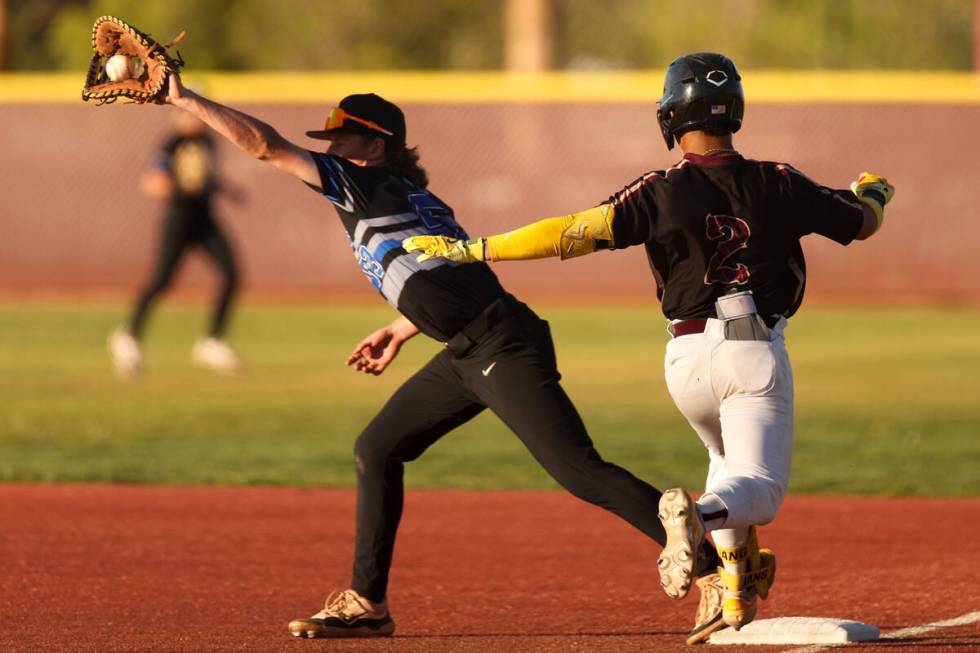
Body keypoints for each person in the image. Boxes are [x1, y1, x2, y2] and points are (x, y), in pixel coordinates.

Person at [154, 72, 724, 639]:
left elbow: (265, 146)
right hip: (467, 348)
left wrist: (185, 100)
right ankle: (367, 602)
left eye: (343, 139)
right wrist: (402, 329)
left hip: (501, 345)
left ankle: (711, 570)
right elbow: (450, 274)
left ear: (375, 147)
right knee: (377, 448)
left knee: (577, 470)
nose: (331, 149)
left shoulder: (363, 182)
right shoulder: (407, 196)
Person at [404, 51, 895, 644]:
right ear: (734, 111)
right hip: (753, 350)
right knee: (759, 492)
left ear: (670, 115)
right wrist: (873, 192)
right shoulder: (779, 180)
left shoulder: (659, 190)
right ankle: (698, 516)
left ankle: (732, 594)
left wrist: (477, 248)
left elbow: (569, 232)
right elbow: (862, 224)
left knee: (728, 468)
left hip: (686, 360)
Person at [108, 111, 243, 379]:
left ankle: (212, 341)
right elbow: (152, 182)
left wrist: (228, 190)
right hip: (179, 218)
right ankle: (128, 335)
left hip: (204, 218)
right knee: (162, 279)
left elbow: (207, 176)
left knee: (231, 274)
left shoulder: (208, 142)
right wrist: (175, 188)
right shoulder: (172, 143)